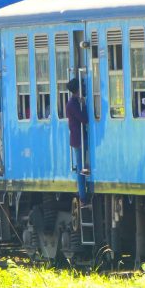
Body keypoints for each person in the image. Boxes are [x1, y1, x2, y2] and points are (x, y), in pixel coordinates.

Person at [66, 78, 89, 206]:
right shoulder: (73, 104)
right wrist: (84, 104)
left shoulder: (73, 103)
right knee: (81, 168)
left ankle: (83, 192)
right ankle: (83, 196)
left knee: (83, 166)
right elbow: (84, 119)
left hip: (78, 138)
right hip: (79, 139)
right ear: (77, 90)